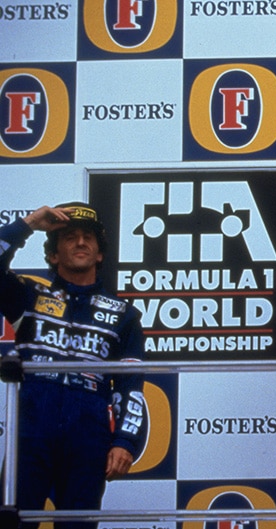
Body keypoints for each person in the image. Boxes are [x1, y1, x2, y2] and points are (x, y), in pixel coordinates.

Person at [0, 203, 146, 529]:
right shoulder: (28, 294)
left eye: (88, 238)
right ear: (53, 255)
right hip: (32, 429)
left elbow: (130, 384)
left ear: (99, 254)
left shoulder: (124, 315)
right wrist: (28, 224)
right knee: (13, 523)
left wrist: (125, 441)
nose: (80, 242)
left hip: (89, 434)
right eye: (69, 237)